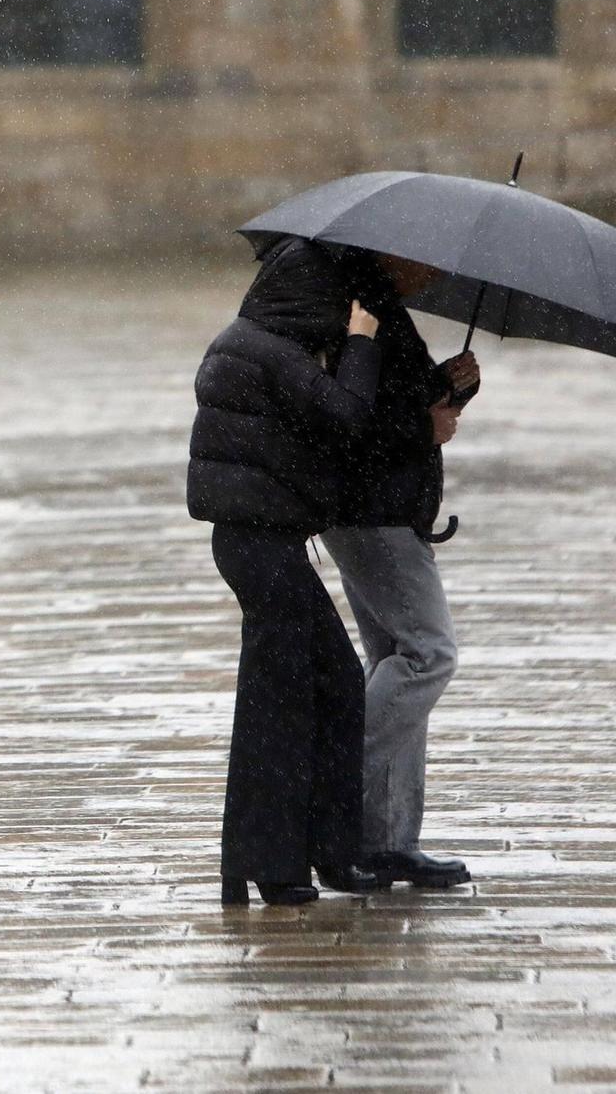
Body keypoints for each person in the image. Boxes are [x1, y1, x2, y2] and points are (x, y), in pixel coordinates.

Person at [187, 235, 387, 906]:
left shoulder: (244, 343)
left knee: (325, 687)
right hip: (264, 548)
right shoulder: (271, 352)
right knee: (287, 701)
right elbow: (348, 416)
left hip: (254, 545)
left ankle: (293, 856)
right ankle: (276, 866)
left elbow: (299, 436)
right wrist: (359, 344)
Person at [321, 252, 479, 889]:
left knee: (394, 657)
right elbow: (348, 421)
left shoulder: (383, 312)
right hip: (372, 514)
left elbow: (385, 400)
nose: (433, 270)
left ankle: (381, 841)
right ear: (387, 254)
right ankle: (331, 784)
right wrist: (425, 424)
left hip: (376, 512)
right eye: (422, 259)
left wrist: (448, 386)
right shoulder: (360, 314)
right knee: (427, 655)